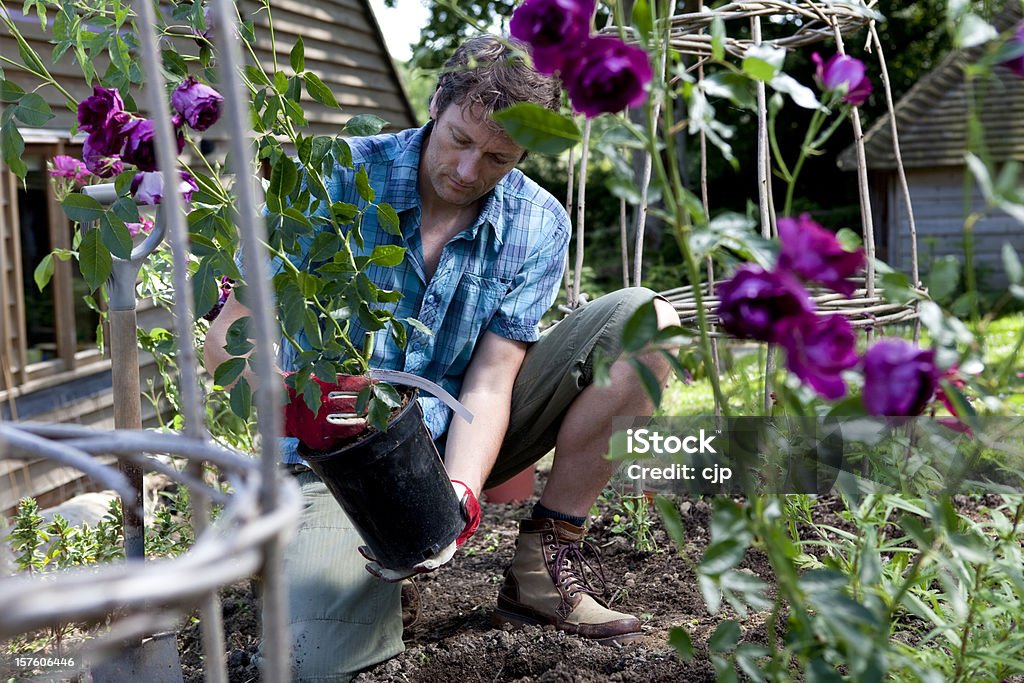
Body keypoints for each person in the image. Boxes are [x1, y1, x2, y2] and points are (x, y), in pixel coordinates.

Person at [204, 34, 680, 682]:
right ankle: (342, 564)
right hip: (340, 457)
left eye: (497, 159)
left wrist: (456, 499)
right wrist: (292, 402)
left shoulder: (537, 224)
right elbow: (230, 334)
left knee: (648, 322)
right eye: (459, 139)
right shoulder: (334, 173)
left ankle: (542, 571)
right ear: (437, 101)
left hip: (461, 427)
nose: (467, 170)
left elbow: (489, 379)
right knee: (315, 664)